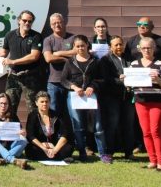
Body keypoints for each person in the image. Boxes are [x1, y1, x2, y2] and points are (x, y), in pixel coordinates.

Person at [60, 35, 111, 164]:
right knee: (78, 126)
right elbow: (63, 80)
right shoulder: (70, 62)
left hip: (91, 97)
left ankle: (103, 153)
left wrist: (93, 86)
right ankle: (82, 152)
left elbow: (102, 79)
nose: (80, 48)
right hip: (75, 97)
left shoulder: (96, 61)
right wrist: (73, 87)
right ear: (74, 47)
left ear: (87, 45)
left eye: (82, 45)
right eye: (77, 46)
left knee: (98, 126)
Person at [0, 10, 43, 114]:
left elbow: (34, 56)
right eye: (24, 20)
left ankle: (33, 126)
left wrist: (13, 61)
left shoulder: (36, 36)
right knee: (9, 108)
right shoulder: (10, 35)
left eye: (30, 21)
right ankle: (11, 125)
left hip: (31, 76)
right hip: (13, 77)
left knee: (33, 110)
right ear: (19, 20)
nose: (27, 23)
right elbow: (3, 53)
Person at [128, 37, 161, 172]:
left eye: (149, 48)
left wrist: (158, 79)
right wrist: (126, 80)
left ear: (154, 48)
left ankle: (160, 163)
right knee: (146, 132)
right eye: (144, 48)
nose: (147, 50)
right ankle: (152, 160)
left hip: (157, 102)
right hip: (141, 101)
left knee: (155, 131)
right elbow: (130, 85)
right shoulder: (134, 64)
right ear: (139, 49)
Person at [98, 35, 135, 160]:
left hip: (128, 96)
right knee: (112, 124)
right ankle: (109, 151)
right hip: (111, 97)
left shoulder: (130, 58)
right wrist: (120, 80)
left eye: (121, 44)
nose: (119, 47)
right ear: (110, 47)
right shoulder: (105, 60)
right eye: (116, 45)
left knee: (129, 124)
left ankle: (129, 152)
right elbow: (105, 79)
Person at [42, 13, 76, 117]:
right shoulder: (48, 40)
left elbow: (77, 52)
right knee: (53, 112)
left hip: (71, 81)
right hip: (54, 82)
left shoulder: (73, 38)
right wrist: (66, 59)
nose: (57, 25)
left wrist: (58, 53)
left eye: (59, 22)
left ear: (64, 23)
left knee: (72, 113)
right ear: (51, 26)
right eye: (54, 23)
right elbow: (48, 58)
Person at [25, 91, 74, 161]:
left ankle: (52, 155)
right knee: (31, 150)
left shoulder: (56, 115)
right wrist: (44, 148)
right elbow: (30, 136)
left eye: (46, 101)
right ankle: (58, 157)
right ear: (36, 103)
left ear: (50, 102)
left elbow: (65, 134)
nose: (44, 104)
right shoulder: (32, 115)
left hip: (54, 144)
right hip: (40, 145)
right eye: (42, 102)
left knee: (68, 148)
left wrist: (55, 149)